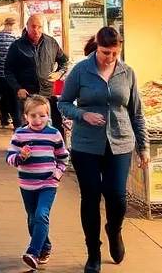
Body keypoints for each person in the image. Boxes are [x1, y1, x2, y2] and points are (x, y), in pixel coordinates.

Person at [58, 27, 148, 273]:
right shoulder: (80, 70)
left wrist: (143, 147)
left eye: (115, 53)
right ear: (96, 47)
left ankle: (114, 230)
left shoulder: (127, 72)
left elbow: (136, 113)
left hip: (120, 142)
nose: (110, 58)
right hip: (86, 144)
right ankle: (93, 252)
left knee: (117, 196)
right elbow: (63, 103)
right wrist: (82, 114)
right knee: (90, 197)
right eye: (105, 52)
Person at [8, 94, 70, 269]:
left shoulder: (54, 134)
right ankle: (45, 246)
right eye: (33, 115)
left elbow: (63, 157)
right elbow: (10, 158)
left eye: (42, 115)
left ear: (48, 115)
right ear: (25, 116)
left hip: (48, 183)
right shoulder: (20, 134)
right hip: (27, 184)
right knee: (32, 219)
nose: (38, 120)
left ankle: (33, 252)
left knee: (41, 214)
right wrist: (20, 156)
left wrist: (57, 173)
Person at [6, 14, 70, 137]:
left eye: (39, 27)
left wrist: (59, 73)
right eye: (33, 26)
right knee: (25, 131)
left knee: (50, 129)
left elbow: (64, 62)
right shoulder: (17, 45)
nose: (36, 30)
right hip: (26, 96)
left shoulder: (51, 42)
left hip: (47, 94)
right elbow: (8, 71)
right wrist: (18, 88)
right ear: (27, 26)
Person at [0, 17, 20, 129]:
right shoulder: (15, 38)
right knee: (7, 97)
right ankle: (4, 120)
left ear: (4, 24)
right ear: (13, 25)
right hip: (8, 74)